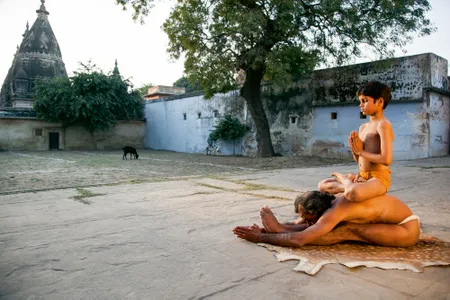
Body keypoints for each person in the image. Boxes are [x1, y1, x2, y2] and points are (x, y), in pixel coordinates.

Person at [232, 191, 420, 247]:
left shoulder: (334, 213)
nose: (305, 221)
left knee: (344, 230)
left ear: (320, 213)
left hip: (406, 230)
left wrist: (260, 238)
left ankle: (280, 231)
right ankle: (280, 229)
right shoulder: (328, 203)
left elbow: (300, 240)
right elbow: (309, 224)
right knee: (321, 227)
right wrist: (276, 228)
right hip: (391, 222)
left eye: (308, 219)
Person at [318, 81, 394, 202]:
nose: (361, 105)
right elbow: (359, 160)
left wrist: (361, 151)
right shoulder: (363, 127)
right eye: (360, 101)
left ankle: (347, 181)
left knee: (353, 192)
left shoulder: (383, 125)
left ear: (379, 101)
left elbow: (386, 159)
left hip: (378, 179)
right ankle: (350, 182)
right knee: (322, 185)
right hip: (362, 176)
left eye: (365, 101)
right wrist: (355, 151)